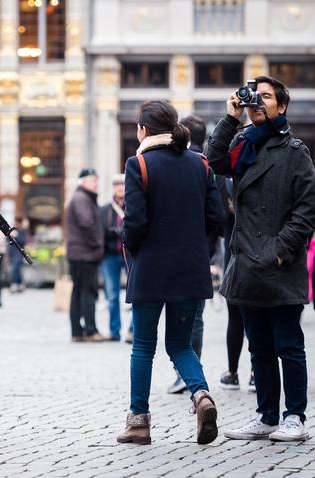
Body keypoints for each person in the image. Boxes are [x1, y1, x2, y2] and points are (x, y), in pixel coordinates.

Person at [206, 76, 315, 442]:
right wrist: (230, 117)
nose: (258, 102)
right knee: (259, 345)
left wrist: (281, 251)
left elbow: (307, 208)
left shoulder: (295, 151)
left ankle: (294, 416)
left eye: (266, 97)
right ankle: (267, 414)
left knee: (288, 344)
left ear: (281, 107)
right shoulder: (242, 143)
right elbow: (213, 162)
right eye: (255, 96)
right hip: (247, 264)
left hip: (278, 263)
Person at [116, 100, 223, 445]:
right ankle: (201, 394)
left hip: (151, 269)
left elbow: (134, 223)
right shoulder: (200, 164)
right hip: (190, 270)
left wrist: (131, 247)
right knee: (181, 344)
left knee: (143, 346)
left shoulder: (139, 164)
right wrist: (196, 248)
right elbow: (217, 219)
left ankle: (138, 423)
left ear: (144, 130)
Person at [166, 114, 211, 394]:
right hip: (200, 253)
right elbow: (217, 213)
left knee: (170, 323)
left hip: (170, 254)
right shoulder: (206, 165)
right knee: (195, 316)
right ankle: (193, 373)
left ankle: (185, 374)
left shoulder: (172, 163)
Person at [216, 175, 254, 392]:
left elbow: (218, 218)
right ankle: (255, 374)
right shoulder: (256, 173)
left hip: (233, 254)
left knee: (235, 317)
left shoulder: (224, 181)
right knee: (256, 316)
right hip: (257, 252)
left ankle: (232, 373)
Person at [64, 168, 105, 342]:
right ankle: (90, 330)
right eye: (94, 180)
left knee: (79, 292)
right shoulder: (82, 198)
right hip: (85, 253)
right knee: (87, 292)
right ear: (84, 182)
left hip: (79, 253)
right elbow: (87, 223)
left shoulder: (81, 197)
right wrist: (97, 244)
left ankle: (77, 331)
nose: (97, 183)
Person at [99, 174, 127, 342]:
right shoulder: (104, 209)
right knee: (112, 295)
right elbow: (100, 231)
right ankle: (114, 330)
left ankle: (133, 331)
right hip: (110, 255)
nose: (120, 188)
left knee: (136, 294)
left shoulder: (133, 205)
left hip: (129, 255)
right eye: (117, 185)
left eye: (122, 185)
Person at [8, 217, 27, 293]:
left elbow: (23, 241)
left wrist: (16, 236)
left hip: (19, 253)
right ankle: (19, 284)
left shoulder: (22, 231)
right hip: (12, 253)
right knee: (16, 269)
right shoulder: (13, 230)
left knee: (15, 269)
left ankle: (15, 284)